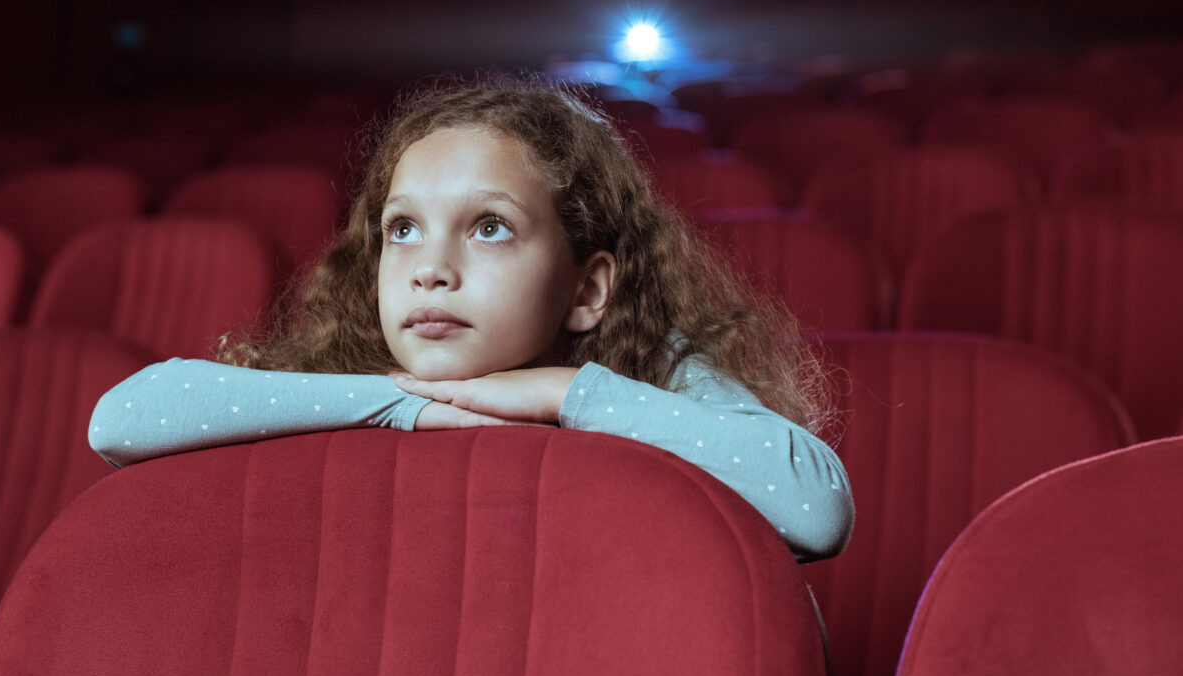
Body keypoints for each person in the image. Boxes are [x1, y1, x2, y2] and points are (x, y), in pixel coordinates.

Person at [89, 76, 853, 560]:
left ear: (588, 291)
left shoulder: (654, 372)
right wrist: (403, 402)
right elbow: (121, 418)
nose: (431, 266)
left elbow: (816, 509)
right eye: (403, 228)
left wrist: (566, 392)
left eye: (489, 226)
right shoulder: (359, 381)